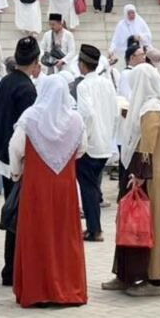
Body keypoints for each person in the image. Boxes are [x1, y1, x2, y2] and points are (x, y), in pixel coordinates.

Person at [7, 72, 88, 307]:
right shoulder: (75, 119)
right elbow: (82, 148)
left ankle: (38, 290)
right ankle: (67, 288)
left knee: (37, 234)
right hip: (65, 185)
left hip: (36, 184)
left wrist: (16, 172)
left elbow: (15, 147)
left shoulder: (31, 117)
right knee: (64, 235)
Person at [103, 62, 160, 297]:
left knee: (152, 225)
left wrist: (140, 177)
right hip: (140, 173)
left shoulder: (152, 109)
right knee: (130, 223)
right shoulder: (145, 107)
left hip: (151, 176)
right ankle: (125, 274)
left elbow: (148, 147)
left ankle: (153, 280)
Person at [0, 36, 40, 286]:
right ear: (35, 61)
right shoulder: (27, 89)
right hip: (18, 158)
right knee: (18, 212)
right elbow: (25, 130)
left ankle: (12, 265)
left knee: (12, 207)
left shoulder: (5, 82)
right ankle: (12, 267)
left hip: (3, 154)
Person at [72, 45, 117, 243]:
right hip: (105, 143)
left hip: (90, 146)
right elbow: (115, 113)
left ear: (82, 64)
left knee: (88, 189)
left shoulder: (83, 86)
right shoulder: (107, 84)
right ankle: (94, 227)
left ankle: (94, 229)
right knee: (93, 187)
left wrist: (84, 139)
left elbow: (87, 114)